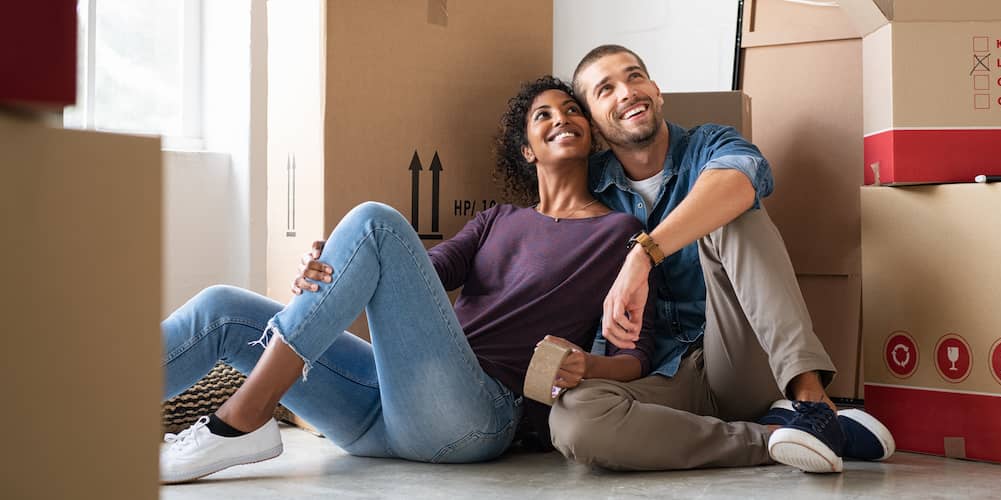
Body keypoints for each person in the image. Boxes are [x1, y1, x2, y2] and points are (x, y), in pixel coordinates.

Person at [159, 76, 654, 483]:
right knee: (222, 308)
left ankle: (242, 419)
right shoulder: (496, 220)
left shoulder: (620, 234)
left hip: (472, 417)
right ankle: (89, 409)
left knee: (374, 222)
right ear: (526, 151)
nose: (561, 119)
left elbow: (638, 356)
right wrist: (336, 260)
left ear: (591, 136)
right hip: (379, 407)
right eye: (543, 115)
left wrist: (588, 366)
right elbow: (420, 276)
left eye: (571, 111)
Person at [549, 45, 895, 473]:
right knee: (572, 419)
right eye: (606, 89)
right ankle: (775, 438)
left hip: (742, 357)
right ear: (593, 120)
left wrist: (643, 253)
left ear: (656, 92)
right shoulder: (591, 189)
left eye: (635, 76)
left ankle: (812, 404)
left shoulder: (709, 143)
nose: (627, 91)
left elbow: (741, 181)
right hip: (664, 376)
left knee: (730, 210)